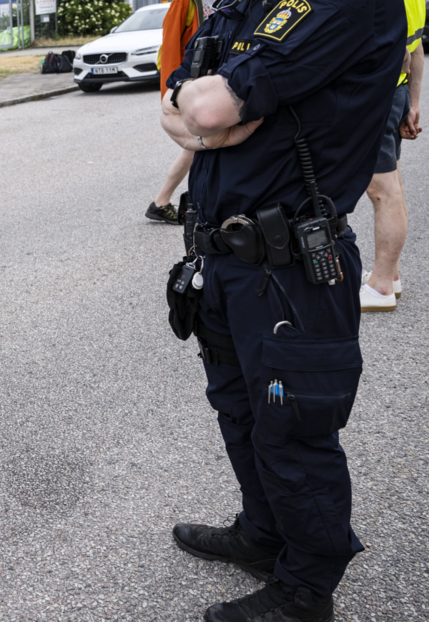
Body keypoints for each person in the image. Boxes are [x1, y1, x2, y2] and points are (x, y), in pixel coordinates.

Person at [160, 0, 405, 616]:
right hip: (224, 260)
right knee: (239, 412)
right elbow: (172, 105)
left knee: (291, 430)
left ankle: (306, 590)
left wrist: (208, 114)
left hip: (292, 267)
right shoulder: (244, 6)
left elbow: (206, 110)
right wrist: (207, 115)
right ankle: (264, 535)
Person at [359, 0, 424, 312]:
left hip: (377, 96)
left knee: (382, 192)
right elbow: (415, 50)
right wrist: (412, 103)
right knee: (392, 186)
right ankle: (391, 276)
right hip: (395, 93)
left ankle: (381, 285)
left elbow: (400, 55)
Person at [146, 0, 207, 224]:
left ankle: (163, 202)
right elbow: (171, 46)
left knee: (200, 144)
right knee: (199, 142)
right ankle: (162, 202)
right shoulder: (184, 3)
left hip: (198, 84)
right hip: (187, 86)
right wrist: (174, 92)